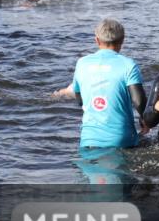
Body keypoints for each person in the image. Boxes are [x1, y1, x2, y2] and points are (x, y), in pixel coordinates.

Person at [56, 19, 147, 149]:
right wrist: (146, 121)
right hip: (122, 140)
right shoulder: (128, 65)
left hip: (89, 139)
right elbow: (139, 101)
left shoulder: (82, 63)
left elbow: (79, 99)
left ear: (97, 40)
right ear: (122, 40)